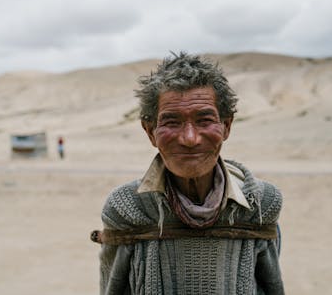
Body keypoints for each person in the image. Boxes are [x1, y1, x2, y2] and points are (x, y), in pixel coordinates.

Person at [92, 52, 284, 294]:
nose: (190, 139)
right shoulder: (127, 208)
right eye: (172, 122)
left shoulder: (260, 205)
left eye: (204, 120)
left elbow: (272, 287)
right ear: (150, 131)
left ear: (227, 126)